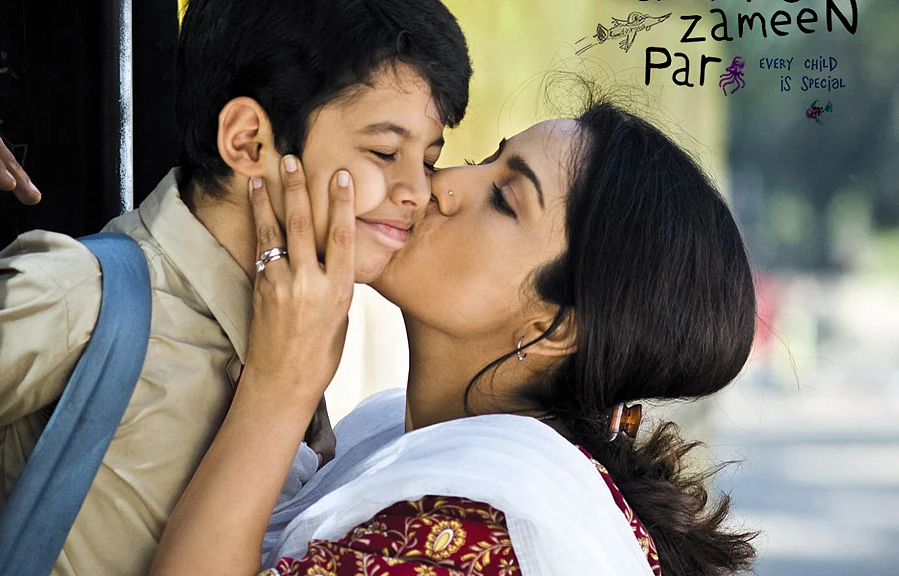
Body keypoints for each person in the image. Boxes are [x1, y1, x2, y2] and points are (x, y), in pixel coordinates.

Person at [148, 95, 759, 576]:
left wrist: (281, 385)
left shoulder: (483, 535)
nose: (441, 184)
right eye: (485, 157)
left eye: (503, 200)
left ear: (555, 328)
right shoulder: (390, 433)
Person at [0, 0, 471, 573]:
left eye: (429, 160)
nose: (418, 190)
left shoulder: (292, 347)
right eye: (385, 152)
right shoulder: (78, 300)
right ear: (249, 142)